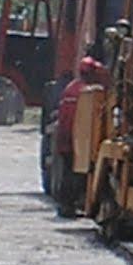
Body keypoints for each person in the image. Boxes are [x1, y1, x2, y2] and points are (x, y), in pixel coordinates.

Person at [55, 57, 100, 216]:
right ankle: (69, 205)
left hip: (64, 136)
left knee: (68, 171)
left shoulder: (71, 88)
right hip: (77, 138)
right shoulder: (87, 92)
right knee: (76, 173)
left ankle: (65, 205)